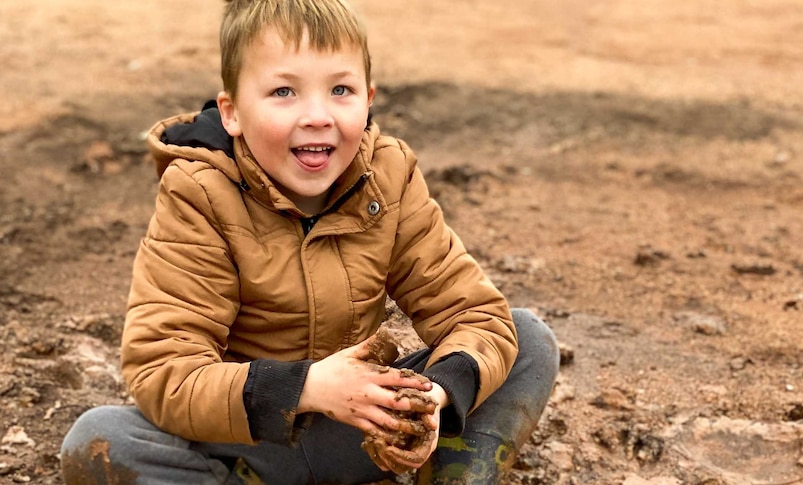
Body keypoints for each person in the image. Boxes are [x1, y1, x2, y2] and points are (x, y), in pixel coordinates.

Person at [60, 0, 559, 483]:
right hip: (250, 442)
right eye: (283, 93)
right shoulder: (198, 194)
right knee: (101, 437)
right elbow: (166, 372)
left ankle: (451, 478)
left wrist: (432, 397)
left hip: (361, 429)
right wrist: (307, 388)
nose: (317, 115)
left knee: (525, 337)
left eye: (341, 90)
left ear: (369, 100)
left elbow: (472, 314)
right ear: (232, 113)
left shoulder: (389, 174)